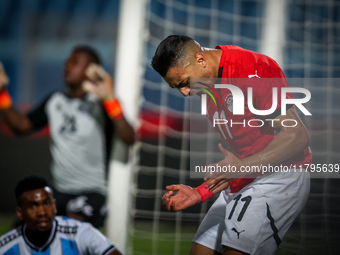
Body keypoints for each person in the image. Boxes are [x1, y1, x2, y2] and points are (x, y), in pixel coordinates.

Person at [151, 35, 312, 255]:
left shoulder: (252, 69)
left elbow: (297, 136)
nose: (185, 92)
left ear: (200, 59)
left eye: (184, 83)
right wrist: (200, 192)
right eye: (176, 87)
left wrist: (242, 167)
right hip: (246, 177)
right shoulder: (204, 82)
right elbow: (243, 157)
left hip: (280, 176)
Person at [0, 46, 135, 228]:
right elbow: (21, 127)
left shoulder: (100, 103)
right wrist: (2, 93)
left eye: (75, 62)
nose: (67, 65)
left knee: (70, 231)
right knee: (21, 229)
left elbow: (128, 137)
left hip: (90, 193)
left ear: (91, 69)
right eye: (67, 61)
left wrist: (110, 99)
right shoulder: (55, 100)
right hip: (59, 192)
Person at [0, 175, 123, 255]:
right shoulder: (6, 246)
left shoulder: (79, 233)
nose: (42, 212)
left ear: (54, 206)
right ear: (20, 213)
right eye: (33, 206)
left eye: (47, 204)